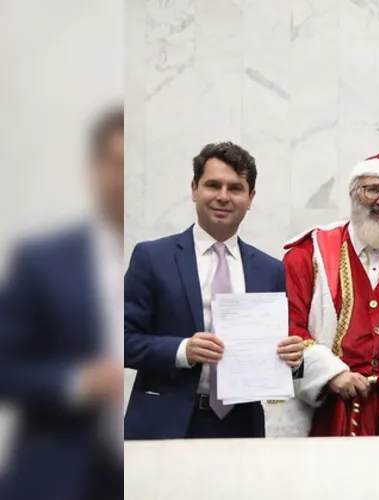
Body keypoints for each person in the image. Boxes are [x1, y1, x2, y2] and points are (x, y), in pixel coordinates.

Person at [123, 141, 304, 440]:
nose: (223, 196)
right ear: (194, 189)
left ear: (250, 197)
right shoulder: (152, 258)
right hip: (165, 423)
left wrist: (293, 359)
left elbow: (275, 353)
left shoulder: (271, 270)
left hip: (241, 425)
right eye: (212, 185)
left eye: (235, 188)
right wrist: (183, 351)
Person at [0, 105, 124, 500]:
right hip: (62, 476)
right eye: (114, 163)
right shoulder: (42, 262)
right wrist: (78, 382)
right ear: (94, 168)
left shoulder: (170, 260)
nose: (122, 177)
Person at [270, 152, 379, 437]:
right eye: (372, 189)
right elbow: (288, 328)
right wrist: (330, 374)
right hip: (329, 413)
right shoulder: (309, 254)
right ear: (353, 194)